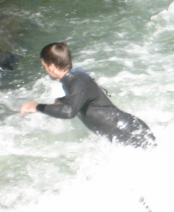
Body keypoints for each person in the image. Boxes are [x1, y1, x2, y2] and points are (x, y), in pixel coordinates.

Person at [20, 43, 155, 148]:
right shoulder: (74, 78)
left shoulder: (77, 80)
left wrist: (37, 107)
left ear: (52, 67)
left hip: (128, 132)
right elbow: (83, 97)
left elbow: (69, 112)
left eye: (44, 66)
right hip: (122, 131)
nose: (45, 70)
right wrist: (64, 100)